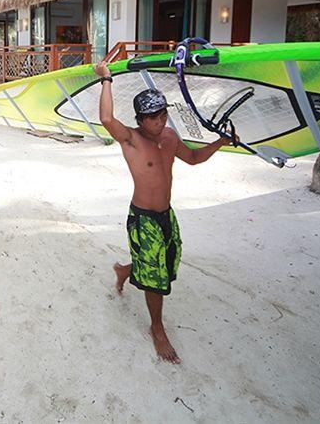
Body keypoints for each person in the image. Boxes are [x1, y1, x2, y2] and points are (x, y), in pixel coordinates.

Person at [93, 60, 231, 364]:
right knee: (155, 278)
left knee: (165, 265)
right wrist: (107, 79)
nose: (160, 120)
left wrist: (221, 141)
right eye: (153, 117)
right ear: (141, 120)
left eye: (163, 114)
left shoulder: (168, 137)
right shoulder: (130, 139)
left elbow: (193, 158)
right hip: (142, 219)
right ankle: (157, 327)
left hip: (166, 214)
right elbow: (106, 118)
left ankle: (125, 270)